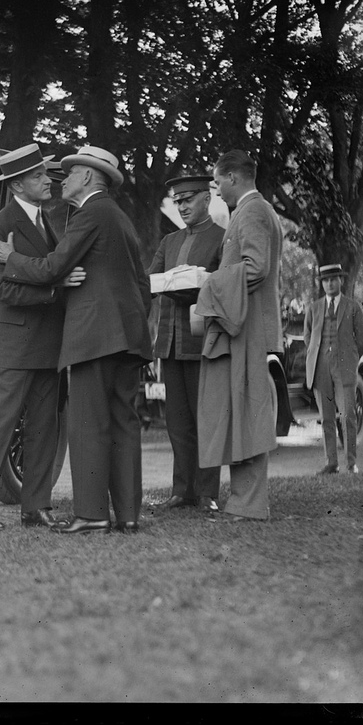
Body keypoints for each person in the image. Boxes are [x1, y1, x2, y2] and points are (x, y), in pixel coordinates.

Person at [0, 145, 152, 534]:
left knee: (88, 424)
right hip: (128, 338)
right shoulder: (120, 218)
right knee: (124, 424)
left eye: (70, 172)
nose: (62, 179)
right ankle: (127, 515)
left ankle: (92, 513)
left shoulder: (90, 213)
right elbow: (141, 283)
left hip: (95, 338)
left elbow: (53, 267)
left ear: (90, 178)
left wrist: (10, 256)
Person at [0, 144, 84, 530]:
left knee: (45, 427)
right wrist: (56, 288)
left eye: (46, 174)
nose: (48, 181)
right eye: (37, 177)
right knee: (1, 424)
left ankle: (36, 505)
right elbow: (6, 292)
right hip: (15, 343)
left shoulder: (49, 221)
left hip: (45, 343)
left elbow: (32, 272)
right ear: (16, 185)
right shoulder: (0, 225)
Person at [196, 149, 282, 522]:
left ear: (233, 177)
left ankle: (250, 503)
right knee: (242, 409)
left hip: (247, 327)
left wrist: (209, 281)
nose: (217, 191)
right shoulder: (253, 211)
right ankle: (244, 501)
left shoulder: (253, 212)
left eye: (217, 184)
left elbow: (256, 268)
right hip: (243, 323)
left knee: (248, 410)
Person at [146, 175, 225, 514]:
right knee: (177, 422)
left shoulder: (222, 238)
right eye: (177, 202)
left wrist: (198, 282)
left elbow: (224, 286)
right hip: (170, 343)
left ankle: (207, 492)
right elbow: (152, 280)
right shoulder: (170, 241)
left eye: (188, 200)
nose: (182, 207)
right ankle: (182, 490)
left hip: (202, 343)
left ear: (206, 198)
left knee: (204, 419)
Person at [303, 263, 363, 475]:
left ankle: (351, 463)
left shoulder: (353, 307)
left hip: (344, 367)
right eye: (326, 280)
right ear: (322, 284)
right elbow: (308, 338)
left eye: (333, 279)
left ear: (341, 280)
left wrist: (350, 356)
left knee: (348, 414)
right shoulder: (314, 308)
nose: (329, 283)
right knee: (327, 418)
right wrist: (318, 356)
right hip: (320, 366)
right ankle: (331, 463)